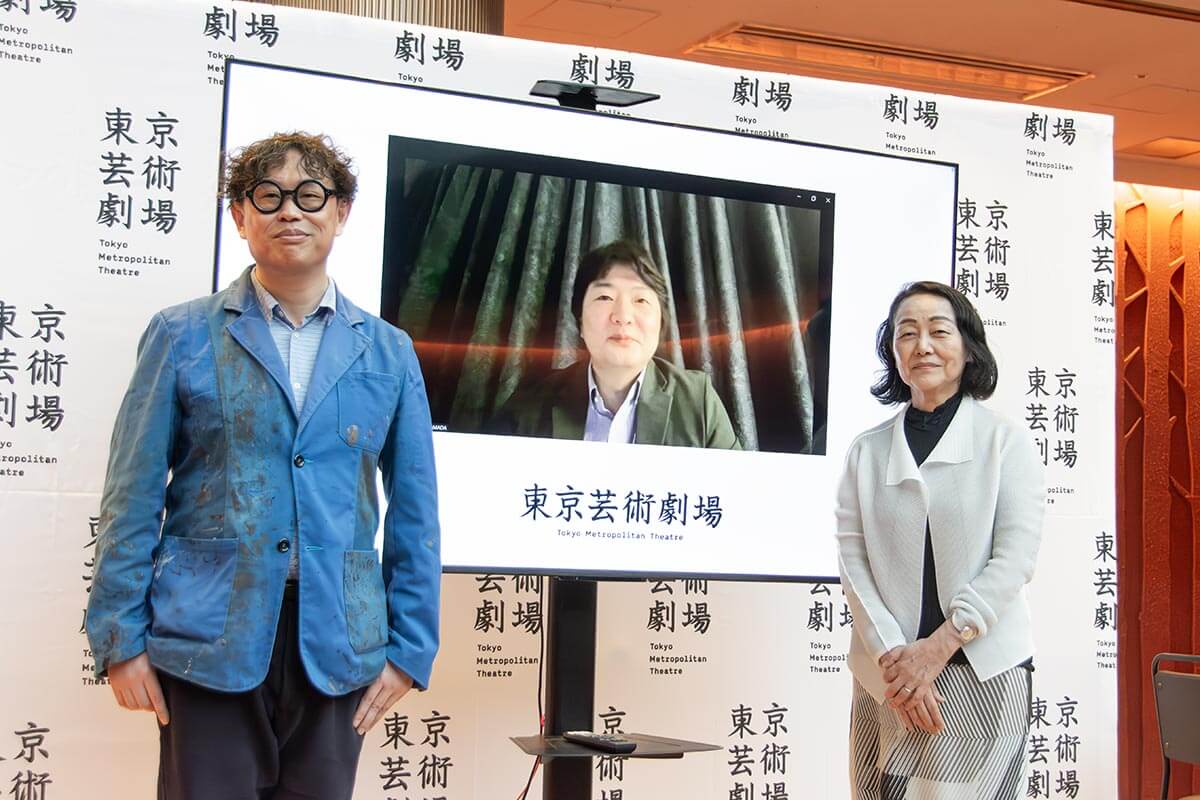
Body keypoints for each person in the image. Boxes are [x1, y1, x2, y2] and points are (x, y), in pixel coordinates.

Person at [85, 132, 441, 800]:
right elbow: (131, 495)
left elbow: (416, 513)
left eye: (311, 195)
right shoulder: (181, 335)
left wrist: (411, 650)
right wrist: (119, 637)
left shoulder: (389, 351)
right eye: (268, 196)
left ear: (341, 212)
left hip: (338, 641)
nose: (290, 211)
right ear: (240, 215)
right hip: (208, 639)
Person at [835, 280, 1043, 798]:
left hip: (984, 673)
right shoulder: (866, 451)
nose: (922, 345)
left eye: (938, 331)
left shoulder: (1005, 442)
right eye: (906, 333)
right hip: (888, 679)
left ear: (968, 348)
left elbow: (1014, 559)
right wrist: (897, 659)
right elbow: (853, 562)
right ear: (893, 353)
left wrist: (939, 648)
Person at [498, 239, 740, 448]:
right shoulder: (529, 404)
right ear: (580, 321)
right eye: (604, 297)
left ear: (660, 323)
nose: (623, 316)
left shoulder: (698, 400)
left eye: (641, 300)